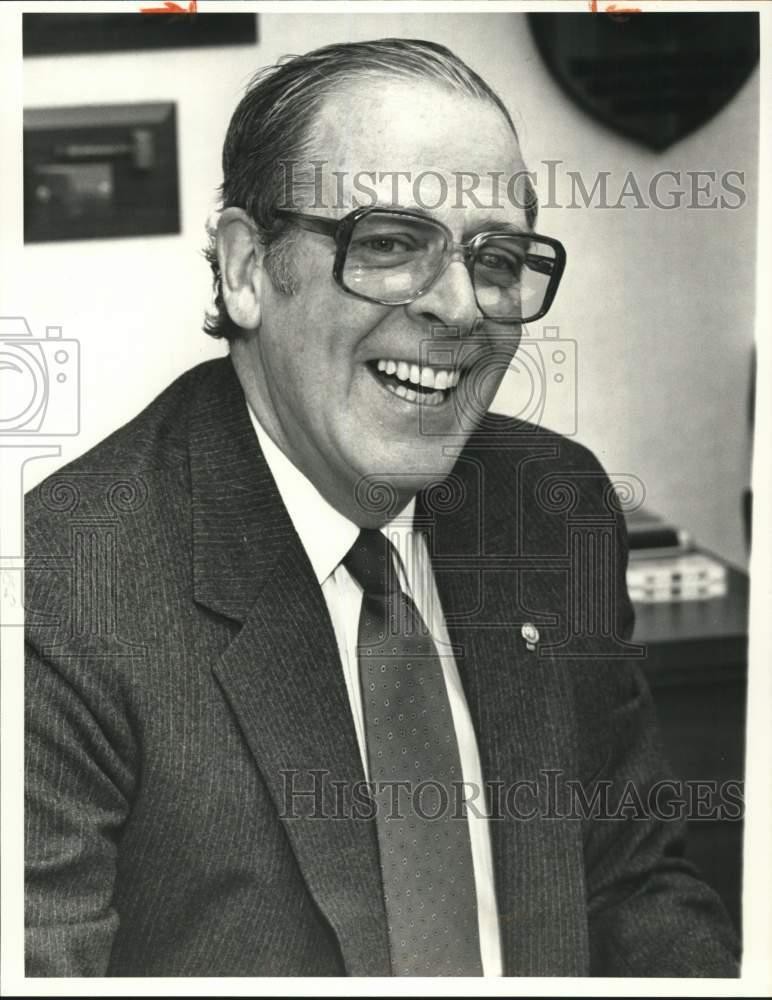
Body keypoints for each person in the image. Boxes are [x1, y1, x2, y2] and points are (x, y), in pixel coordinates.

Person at [24, 38, 740, 977]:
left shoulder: (554, 507)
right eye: (391, 244)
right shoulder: (60, 590)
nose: (458, 309)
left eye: (497, 258)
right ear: (246, 269)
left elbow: (626, 881)